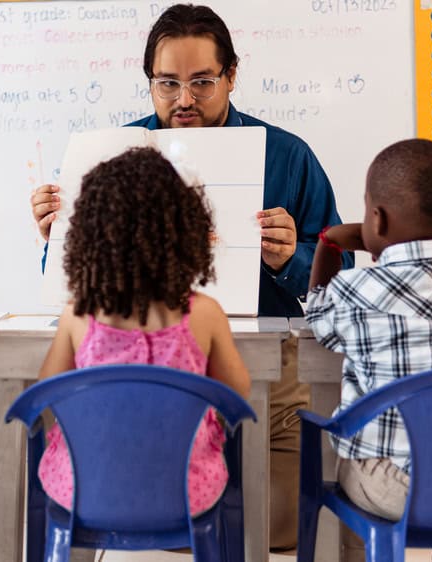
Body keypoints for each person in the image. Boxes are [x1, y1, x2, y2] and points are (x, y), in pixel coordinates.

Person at [29, 4, 351, 547]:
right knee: (199, 506)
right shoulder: (114, 155)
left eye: (202, 82)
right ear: (149, 82)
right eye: (167, 83)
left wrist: (291, 262)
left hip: (269, 377)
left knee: (292, 517)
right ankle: (172, 512)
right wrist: (56, 237)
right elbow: (74, 289)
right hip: (137, 385)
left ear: (231, 75)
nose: (183, 99)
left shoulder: (289, 156)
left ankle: (161, 516)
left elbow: (342, 289)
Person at [305, 139, 432, 562]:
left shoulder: (355, 289)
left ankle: (362, 552)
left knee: (353, 481)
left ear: (375, 218)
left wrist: (329, 244)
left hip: (387, 487)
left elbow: (317, 318)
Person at [36, 147, 251, 516]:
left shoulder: (78, 313)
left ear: (89, 236)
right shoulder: (205, 315)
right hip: (186, 490)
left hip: (87, 487)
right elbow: (237, 394)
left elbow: (48, 392)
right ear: (185, 231)